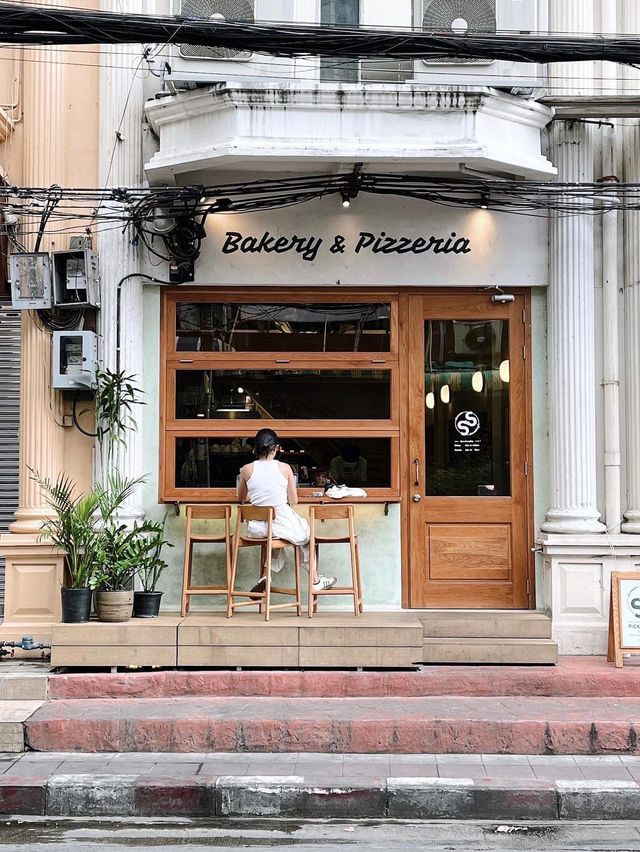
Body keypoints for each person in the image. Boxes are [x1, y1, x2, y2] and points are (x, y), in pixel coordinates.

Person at [237, 428, 336, 595]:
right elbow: (294, 500)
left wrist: (258, 495)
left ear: (255, 448)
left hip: (257, 529)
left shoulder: (247, 469)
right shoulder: (285, 468)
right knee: (305, 534)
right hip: (280, 522)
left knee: (276, 540)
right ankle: (315, 580)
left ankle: (266, 576)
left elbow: (241, 497)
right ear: (276, 448)